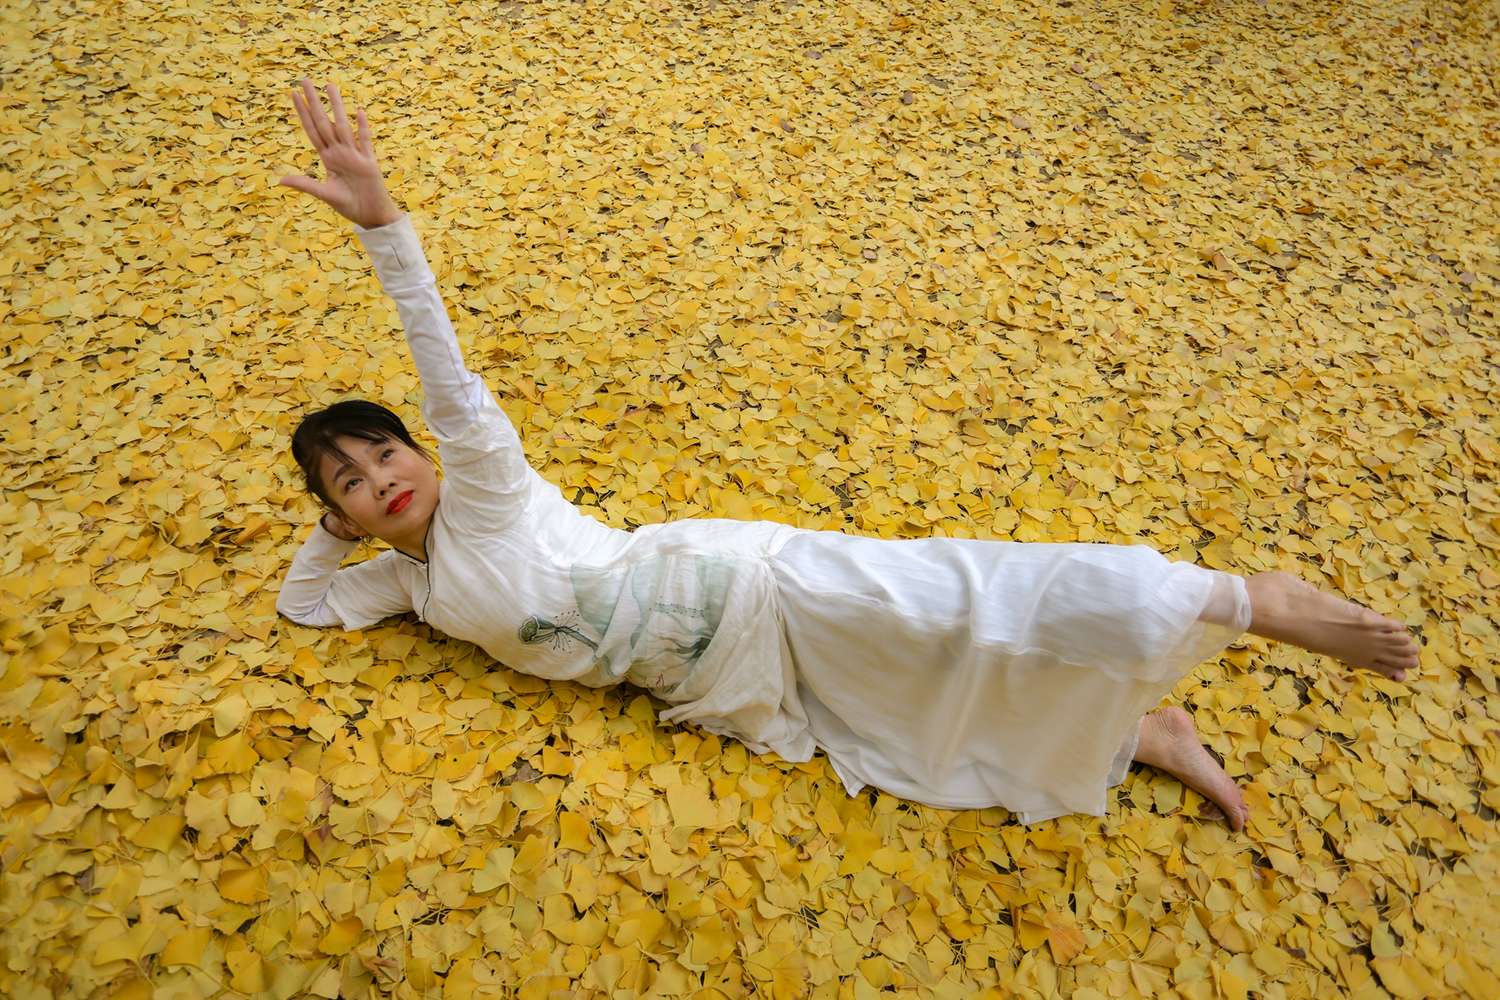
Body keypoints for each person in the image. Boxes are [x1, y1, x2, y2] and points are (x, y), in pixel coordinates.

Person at [274, 81, 1420, 832]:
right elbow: (303, 608)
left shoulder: (484, 484)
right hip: (726, 685)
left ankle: (1237, 597)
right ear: (351, 518)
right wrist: (324, 535)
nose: (382, 481)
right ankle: (1142, 731)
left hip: (750, 582)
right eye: (353, 486)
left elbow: (446, 373)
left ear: (421, 448)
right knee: (926, 731)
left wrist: (386, 230)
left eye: (383, 454)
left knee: (969, 596)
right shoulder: (401, 588)